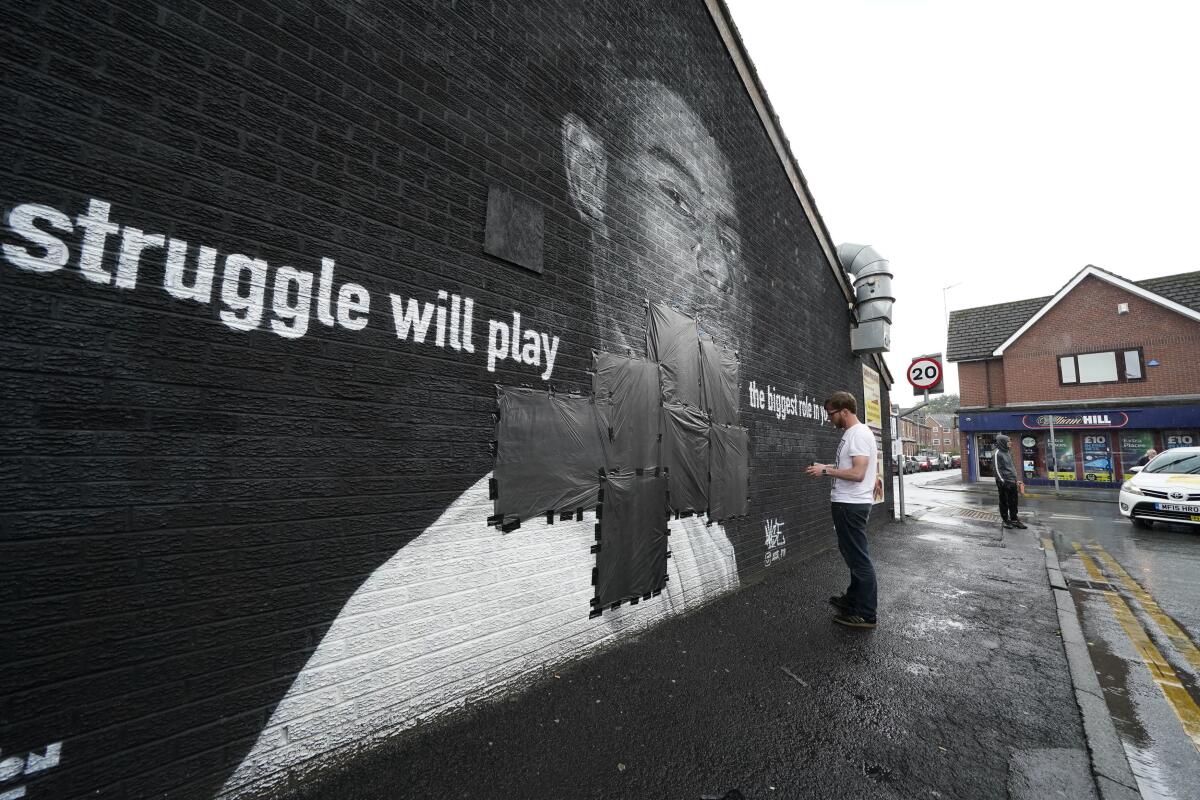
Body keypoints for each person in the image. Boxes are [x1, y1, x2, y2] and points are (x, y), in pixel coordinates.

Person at [222, 79, 749, 798]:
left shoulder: (701, 528)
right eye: (676, 201)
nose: (713, 266)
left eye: (725, 235)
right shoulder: (482, 568)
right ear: (587, 172)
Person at [804, 391, 879, 629]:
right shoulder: (857, 433)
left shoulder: (857, 435)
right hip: (850, 503)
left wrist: (825, 472)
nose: (829, 419)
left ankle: (866, 614)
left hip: (850, 505)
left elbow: (857, 474)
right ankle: (853, 599)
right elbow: (857, 469)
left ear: (844, 411)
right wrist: (827, 466)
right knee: (851, 554)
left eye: (831, 414)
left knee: (858, 558)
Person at [993, 434, 1025, 529]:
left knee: (1014, 502)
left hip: (1012, 481)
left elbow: (1011, 467)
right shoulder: (997, 454)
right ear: (1002, 442)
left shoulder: (1008, 452)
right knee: (1004, 502)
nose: (1010, 443)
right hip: (1003, 482)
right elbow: (996, 469)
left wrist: (1016, 479)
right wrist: (1003, 481)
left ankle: (1014, 520)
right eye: (1008, 441)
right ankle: (1006, 520)